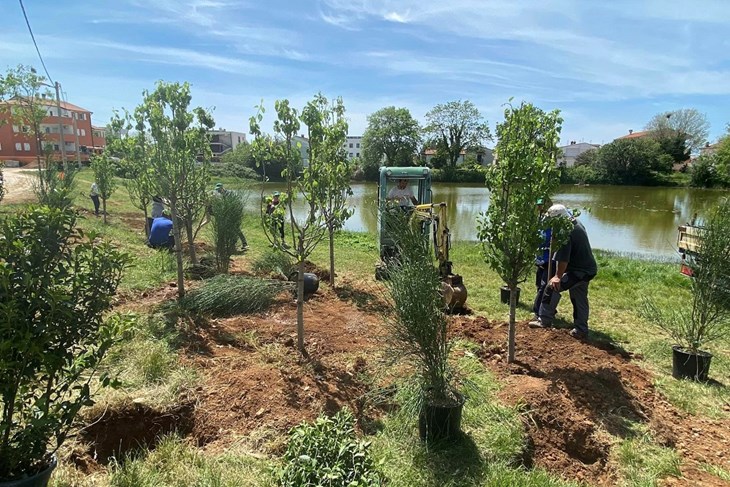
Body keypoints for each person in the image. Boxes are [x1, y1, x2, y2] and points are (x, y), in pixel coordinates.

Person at [530, 204, 597, 340]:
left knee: (552, 287)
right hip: (588, 269)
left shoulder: (565, 232)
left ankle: (544, 320)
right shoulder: (576, 222)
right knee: (579, 298)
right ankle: (581, 329)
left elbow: (563, 260)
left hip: (579, 271)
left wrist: (557, 276)